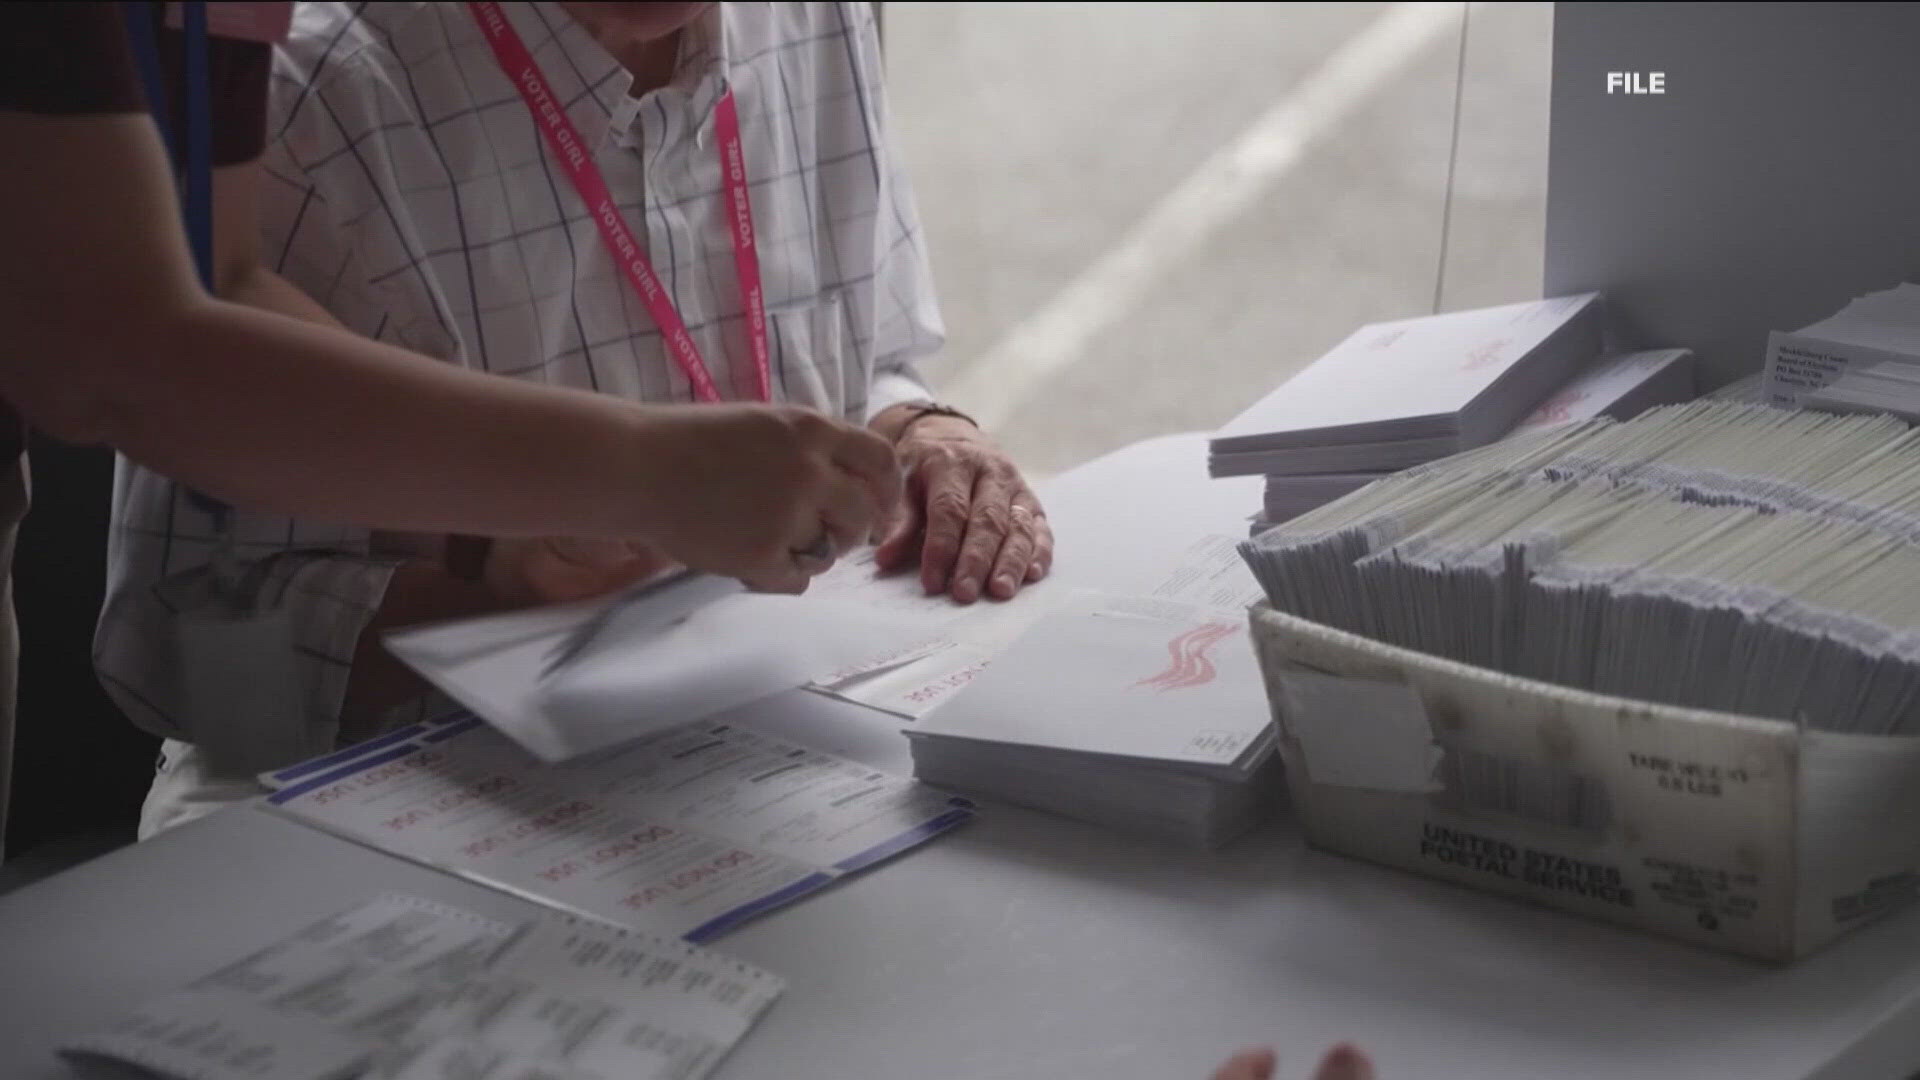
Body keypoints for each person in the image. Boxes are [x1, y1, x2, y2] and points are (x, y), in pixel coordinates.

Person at [97, 0, 1055, 836]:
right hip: (380, 818)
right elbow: (178, 655)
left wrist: (918, 431)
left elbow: (865, 352)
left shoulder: (814, 18)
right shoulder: (305, 92)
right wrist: (493, 597)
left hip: (753, 777)